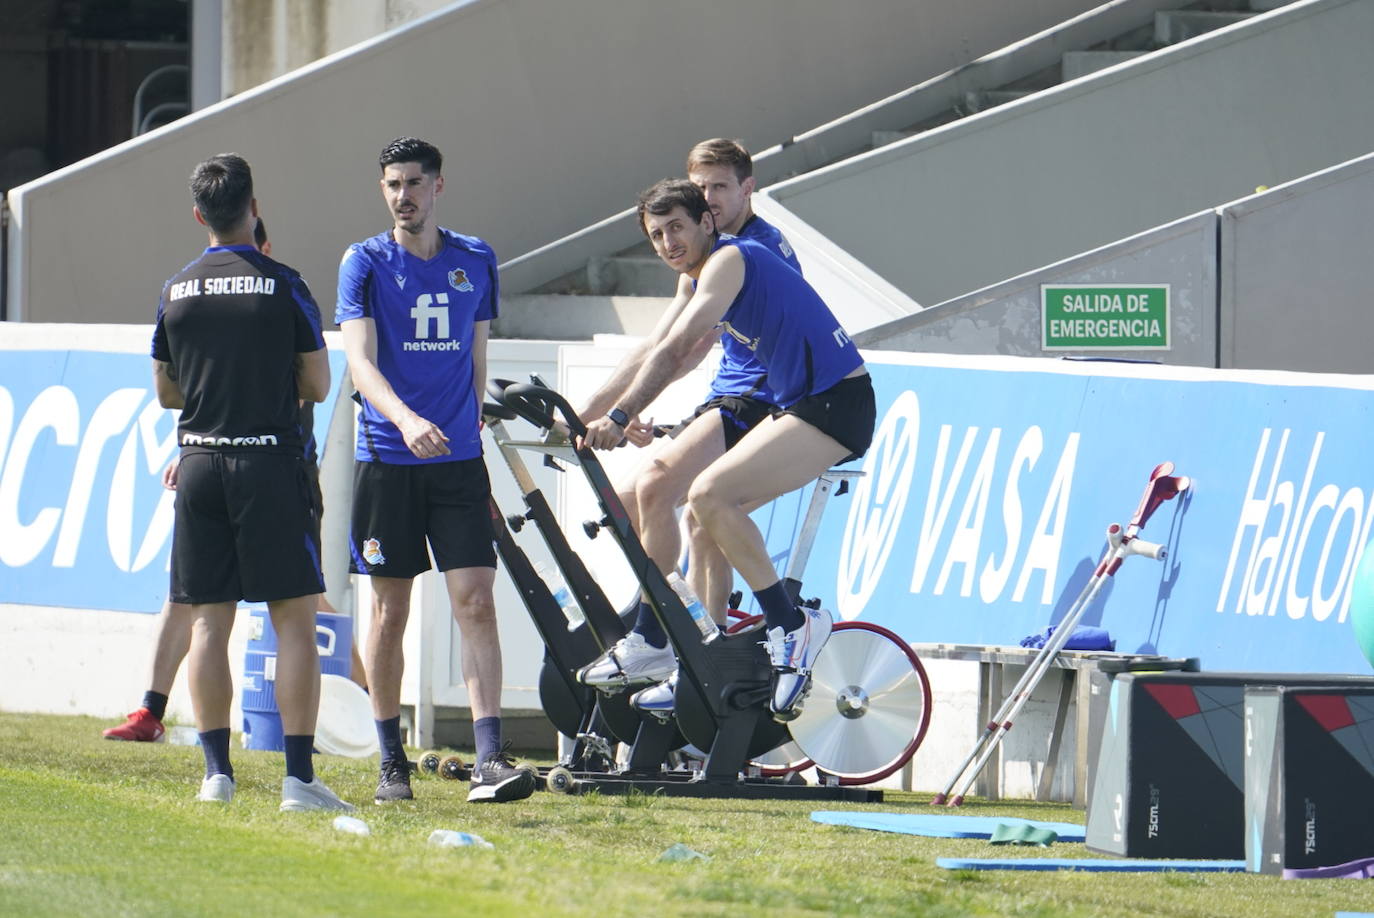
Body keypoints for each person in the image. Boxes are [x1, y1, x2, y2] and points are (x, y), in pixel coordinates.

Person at [580, 178, 875, 718]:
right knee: (697, 506)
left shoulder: (730, 259)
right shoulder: (701, 276)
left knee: (709, 495)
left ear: (707, 224)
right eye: (657, 235)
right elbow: (660, 349)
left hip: (837, 402)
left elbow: (674, 350)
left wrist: (620, 417)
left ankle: (791, 626)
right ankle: (674, 643)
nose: (669, 242)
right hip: (801, 404)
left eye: (677, 228)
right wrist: (586, 416)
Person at [104, 218, 365, 744]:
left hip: (282, 472)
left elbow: (288, 391)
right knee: (192, 601)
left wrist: (207, 444)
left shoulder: (262, 302)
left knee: (299, 605)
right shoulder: (260, 297)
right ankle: (152, 709)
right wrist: (198, 446)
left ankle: (372, 710)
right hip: (229, 464)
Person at [151, 153, 352, 811]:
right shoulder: (283, 283)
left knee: (210, 622)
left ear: (197, 214)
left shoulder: (175, 290)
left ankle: (217, 774)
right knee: (292, 621)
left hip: (201, 464)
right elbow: (319, 384)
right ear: (253, 207)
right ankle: (298, 780)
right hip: (268, 462)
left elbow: (165, 391)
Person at [337, 137, 534, 804]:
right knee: (390, 614)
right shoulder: (363, 261)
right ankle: (391, 759)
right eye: (393, 184)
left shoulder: (475, 258)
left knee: (475, 601)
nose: (403, 196)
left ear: (438, 186)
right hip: (388, 460)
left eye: (415, 183)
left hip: (456, 462)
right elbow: (359, 364)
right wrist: (405, 419)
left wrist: (467, 418)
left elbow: (478, 350)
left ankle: (489, 758)